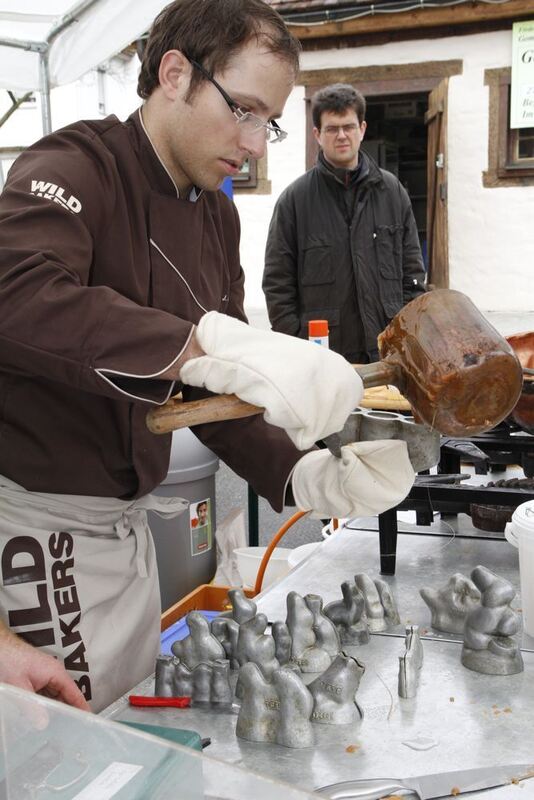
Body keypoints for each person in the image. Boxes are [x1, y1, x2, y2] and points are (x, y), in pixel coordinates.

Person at [0, 1, 415, 713]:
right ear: (174, 74)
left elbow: (209, 397)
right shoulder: (76, 166)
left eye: (269, 122)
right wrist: (200, 346)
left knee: (126, 725)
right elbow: (18, 294)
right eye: (243, 110)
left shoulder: (217, 215)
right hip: (43, 533)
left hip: (128, 532)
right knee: (66, 742)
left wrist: (303, 474)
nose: (255, 144)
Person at [263, 83, 426, 364]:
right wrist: (298, 342)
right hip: (324, 354)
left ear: (362, 129)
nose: (341, 135)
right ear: (317, 134)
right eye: (331, 129)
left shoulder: (392, 193)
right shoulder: (295, 201)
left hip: (386, 350)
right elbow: (278, 284)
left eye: (348, 127)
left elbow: (412, 273)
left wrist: (405, 337)